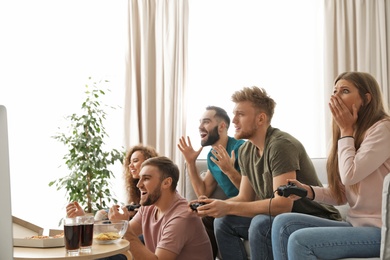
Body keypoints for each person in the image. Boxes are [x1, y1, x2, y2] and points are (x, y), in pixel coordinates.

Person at [193, 86, 341, 260]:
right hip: (281, 219)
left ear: (260, 119)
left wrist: (228, 206)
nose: (233, 120)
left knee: (261, 223)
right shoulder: (247, 150)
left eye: (240, 114)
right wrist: (214, 205)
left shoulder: (281, 145)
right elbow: (244, 197)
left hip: (316, 219)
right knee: (223, 221)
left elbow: (282, 205)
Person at [271, 71, 390, 259]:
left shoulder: (382, 129)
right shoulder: (351, 135)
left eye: (344, 91)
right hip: (355, 225)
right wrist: (307, 190)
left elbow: (350, 174)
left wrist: (345, 131)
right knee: (282, 223)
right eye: (334, 91)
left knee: (299, 241)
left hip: (382, 231)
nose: (335, 97)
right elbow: (342, 193)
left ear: (366, 99)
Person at [177, 105, 245, 258]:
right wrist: (190, 163)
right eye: (200, 122)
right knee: (196, 216)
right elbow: (203, 192)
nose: (200, 126)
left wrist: (229, 170)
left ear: (222, 126)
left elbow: (253, 193)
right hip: (232, 207)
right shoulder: (212, 156)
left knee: (213, 218)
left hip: (248, 207)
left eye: (206, 122)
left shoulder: (241, 148)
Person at [117, 156, 213, 260]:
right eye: (140, 178)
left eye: (146, 178)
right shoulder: (149, 207)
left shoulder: (182, 218)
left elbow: (127, 232)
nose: (139, 185)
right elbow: (121, 235)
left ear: (166, 183)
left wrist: (124, 227)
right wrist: (117, 223)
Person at [66, 144, 158, 221]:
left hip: (142, 224)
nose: (130, 165)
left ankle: (84, 221)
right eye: (129, 162)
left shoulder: (154, 185)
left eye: (135, 161)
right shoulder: (136, 187)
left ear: (148, 161)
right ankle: (84, 220)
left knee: (103, 216)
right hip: (136, 219)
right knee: (102, 214)